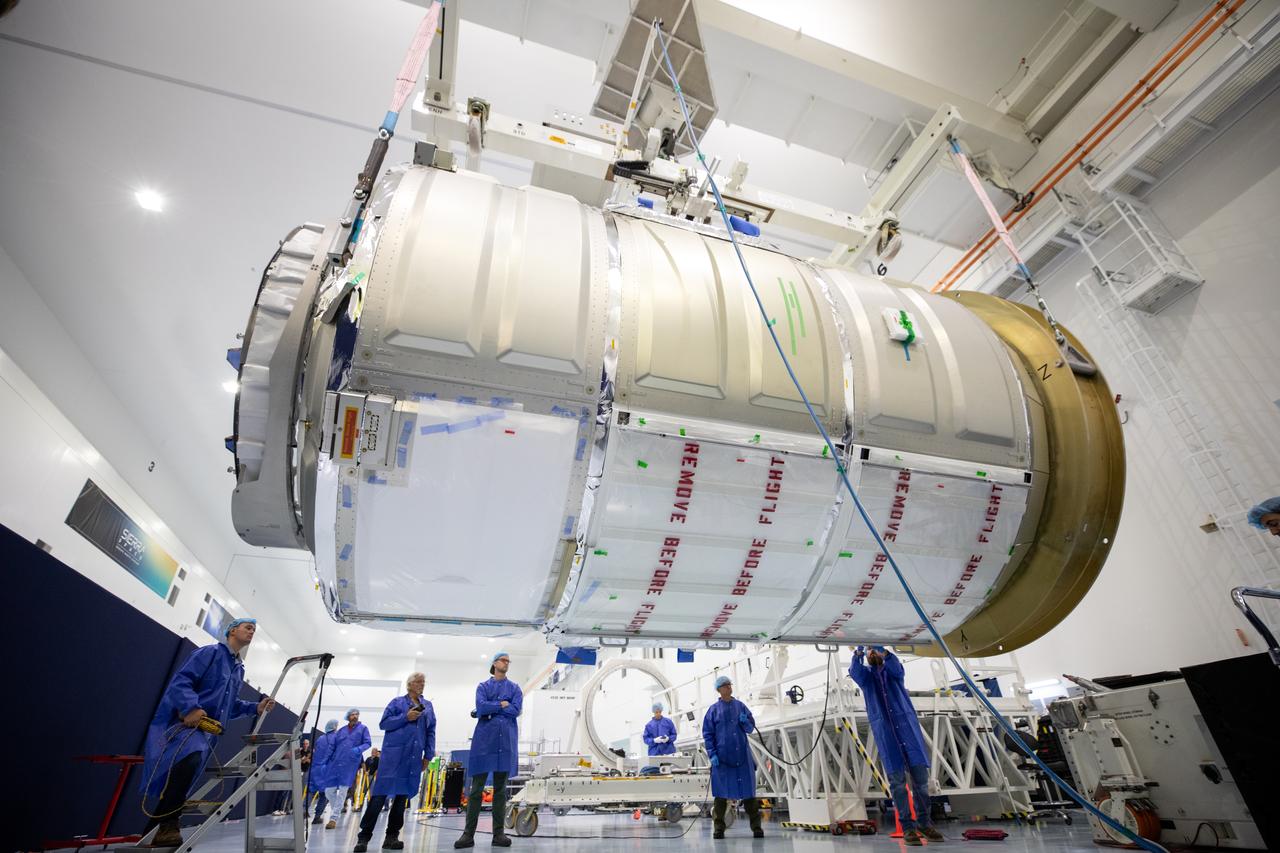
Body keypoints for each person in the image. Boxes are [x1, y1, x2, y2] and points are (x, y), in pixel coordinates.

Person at [139, 617, 275, 847]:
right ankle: (169, 823)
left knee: (183, 778)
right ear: (232, 630)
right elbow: (182, 682)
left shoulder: (238, 669)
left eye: (254, 629)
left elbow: (229, 705)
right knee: (188, 761)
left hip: (206, 733)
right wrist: (190, 708)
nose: (252, 632)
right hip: (185, 725)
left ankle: (153, 833)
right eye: (248, 627)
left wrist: (255, 708)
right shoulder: (209, 653)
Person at [848, 646, 945, 846]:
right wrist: (859, 650)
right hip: (888, 735)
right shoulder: (867, 678)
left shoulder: (894, 673)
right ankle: (908, 828)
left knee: (921, 782)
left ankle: (924, 825)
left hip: (908, 732)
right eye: (869, 652)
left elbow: (896, 667)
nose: (872, 654)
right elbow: (855, 672)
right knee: (898, 785)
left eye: (874, 651)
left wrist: (881, 650)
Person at [353, 673, 436, 853]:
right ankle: (363, 837)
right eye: (418, 682)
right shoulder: (397, 703)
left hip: (413, 758)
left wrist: (428, 756)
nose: (422, 684)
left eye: (423, 682)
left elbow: (431, 731)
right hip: (393, 757)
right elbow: (384, 724)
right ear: (410, 684)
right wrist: (406, 717)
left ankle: (392, 837)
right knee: (379, 796)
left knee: (401, 798)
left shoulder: (428, 706)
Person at [455, 652, 522, 849]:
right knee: (476, 790)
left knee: (500, 791)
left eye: (508, 661)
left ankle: (498, 834)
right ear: (494, 663)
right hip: (484, 743)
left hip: (505, 743)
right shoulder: (483, 687)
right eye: (503, 660)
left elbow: (515, 710)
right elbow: (480, 708)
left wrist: (492, 708)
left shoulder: (515, 688)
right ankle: (468, 834)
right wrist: (501, 704)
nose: (506, 663)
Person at [701, 675, 763, 840]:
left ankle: (756, 827)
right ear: (719, 690)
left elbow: (750, 728)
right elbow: (708, 735)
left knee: (749, 795)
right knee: (721, 796)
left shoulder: (740, 706)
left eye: (730, 684)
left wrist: (745, 722)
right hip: (722, 760)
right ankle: (719, 828)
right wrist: (712, 754)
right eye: (725, 685)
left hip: (742, 758)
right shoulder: (713, 711)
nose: (729, 687)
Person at [323, 708, 371, 828]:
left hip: (350, 764)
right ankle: (337, 810)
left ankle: (333, 818)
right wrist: (326, 760)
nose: (355, 716)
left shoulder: (363, 729)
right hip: (335, 763)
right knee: (328, 791)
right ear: (348, 717)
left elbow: (368, 743)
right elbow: (332, 746)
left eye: (357, 714)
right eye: (352, 714)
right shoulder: (341, 730)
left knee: (343, 791)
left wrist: (358, 750)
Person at [309, 719, 340, 824]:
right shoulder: (336, 738)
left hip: (315, 768)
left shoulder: (320, 738)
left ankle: (302, 811)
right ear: (334, 727)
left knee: (310, 791)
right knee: (324, 794)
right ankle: (317, 816)